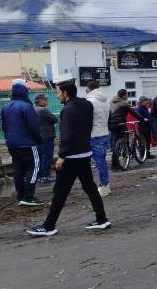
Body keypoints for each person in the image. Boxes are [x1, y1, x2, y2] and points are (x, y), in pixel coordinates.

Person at [26, 81, 109, 237]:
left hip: (71, 156)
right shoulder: (86, 105)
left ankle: (49, 226)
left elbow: (67, 135)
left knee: (61, 191)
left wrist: (62, 156)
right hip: (85, 152)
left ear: (65, 93)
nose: (57, 95)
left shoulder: (68, 110)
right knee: (90, 188)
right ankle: (102, 219)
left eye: (58, 92)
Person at [0, 83, 43, 206]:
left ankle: (21, 195)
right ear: (24, 93)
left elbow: (4, 127)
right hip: (28, 143)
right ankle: (29, 196)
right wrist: (39, 139)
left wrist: (9, 139)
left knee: (18, 170)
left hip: (12, 144)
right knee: (34, 168)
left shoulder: (5, 107)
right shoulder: (26, 106)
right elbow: (33, 126)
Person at [85, 81, 111, 196]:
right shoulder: (105, 100)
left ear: (88, 88)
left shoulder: (90, 101)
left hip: (94, 135)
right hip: (104, 133)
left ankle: (104, 186)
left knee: (99, 163)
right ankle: (105, 185)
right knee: (102, 161)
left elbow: (87, 120)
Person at [108, 89, 143, 170]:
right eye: (127, 94)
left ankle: (117, 161)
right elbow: (133, 112)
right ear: (123, 96)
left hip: (111, 124)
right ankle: (123, 155)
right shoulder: (124, 103)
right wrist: (142, 119)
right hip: (120, 124)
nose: (128, 96)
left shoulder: (111, 102)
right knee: (124, 138)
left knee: (116, 142)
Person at [34, 94, 57, 183]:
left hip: (38, 136)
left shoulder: (33, 109)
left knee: (40, 156)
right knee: (47, 156)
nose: (47, 101)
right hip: (47, 136)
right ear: (40, 100)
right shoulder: (43, 110)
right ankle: (45, 175)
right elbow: (54, 119)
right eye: (45, 99)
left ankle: (40, 174)